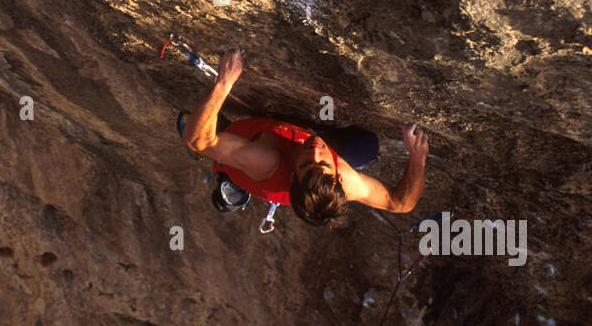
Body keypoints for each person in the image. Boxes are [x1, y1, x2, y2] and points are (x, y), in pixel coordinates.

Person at [182, 49, 428, 226]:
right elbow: (401, 204)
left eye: (306, 163)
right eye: (323, 163)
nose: (315, 152)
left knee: (206, 132)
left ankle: (227, 174)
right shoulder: (344, 180)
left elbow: (198, 142)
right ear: (336, 177)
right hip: (289, 140)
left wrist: (223, 84)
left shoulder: (266, 160)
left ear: (292, 173)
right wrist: (418, 158)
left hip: (250, 149)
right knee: (366, 147)